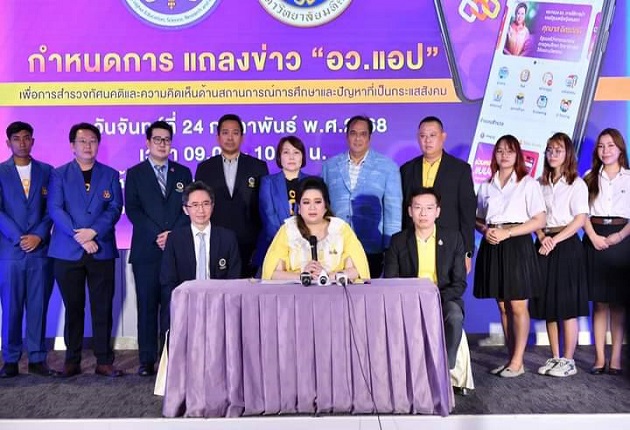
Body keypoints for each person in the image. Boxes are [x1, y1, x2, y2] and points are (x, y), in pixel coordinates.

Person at [48, 122, 124, 377]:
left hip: (101, 249)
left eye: (92, 141)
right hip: (67, 251)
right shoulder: (59, 174)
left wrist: (94, 232)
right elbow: (55, 209)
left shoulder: (110, 174)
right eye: (82, 141)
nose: (88, 146)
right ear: (72, 146)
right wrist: (80, 236)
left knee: (102, 307)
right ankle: (72, 360)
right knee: (73, 307)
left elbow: (114, 208)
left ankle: (104, 360)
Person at [474, 135, 546, 378]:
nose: (504, 155)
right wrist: (486, 230)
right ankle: (511, 358)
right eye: (500, 151)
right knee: (503, 306)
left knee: (517, 304)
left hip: (517, 244)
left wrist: (509, 233)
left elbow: (540, 219)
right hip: (493, 244)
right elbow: (478, 218)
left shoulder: (528, 183)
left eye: (509, 151)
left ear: (518, 155)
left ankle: (518, 361)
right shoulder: (486, 185)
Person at [125, 120, 192, 377]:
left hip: (175, 250)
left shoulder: (183, 172)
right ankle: (146, 359)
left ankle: (170, 357)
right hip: (146, 251)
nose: (162, 144)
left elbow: (188, 208)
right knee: (147, 307)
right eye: (157, 139)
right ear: (147, 142)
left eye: (166, 139)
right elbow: (133, 210)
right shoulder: (135, 173)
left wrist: (172, 235)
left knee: (173, 307)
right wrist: (157, 235)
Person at [384, 187, 466, 375]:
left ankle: (445, 369)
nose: (423, 213)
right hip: (408, 299)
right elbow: (391, 281)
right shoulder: (398, 241)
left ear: (437, 211)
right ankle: (401, 372)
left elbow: (459, 283)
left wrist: (435, 298)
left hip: (442, 298)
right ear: (410, 211)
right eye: (418, 207)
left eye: (429, 208)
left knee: (454, 316)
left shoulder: (453, 238)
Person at [530, 133, 589, 378]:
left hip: (566, 245)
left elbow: (579, 220)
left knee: (566, 305)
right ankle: (555, 357)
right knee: (549, 305)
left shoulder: (576, 183)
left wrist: (554, 240)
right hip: (544, 244)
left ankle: (568, 359)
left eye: (559, 150)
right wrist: (542, 236)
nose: (553, 154)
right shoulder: (539, 183)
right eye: (550, 150)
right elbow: (533, 215)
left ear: (568, 154)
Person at [0, 121, 55, 378]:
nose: (22, 142)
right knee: (11, 308)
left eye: (26, 138)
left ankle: (37, 358)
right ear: (8, 142)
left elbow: (53, 209)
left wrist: (38, 236)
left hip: (40, 252)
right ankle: (10, 359)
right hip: (10, 252)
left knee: (38, 307)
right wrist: (19, 237)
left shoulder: (47, 171)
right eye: (16, 138)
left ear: (33, 141)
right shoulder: (1, 172)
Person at [321, 115, 401, 278]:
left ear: (369, 138)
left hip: (372, 247)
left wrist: (390, 248)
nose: (358, 138)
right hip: (336, 246)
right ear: (347, 136)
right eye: (353, 133)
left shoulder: (387, 167)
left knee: (370, 292)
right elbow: (323, 206)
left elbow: (393, 210)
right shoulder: (330, 166)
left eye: (363, 134)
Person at [195, 114, 268, 277]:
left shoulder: (258, 167)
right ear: (218, 137)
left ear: (242, 137)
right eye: (225, 132)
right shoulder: (205, 168)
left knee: (246, 289)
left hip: (249, 243)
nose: (230, 138)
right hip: (215, 241)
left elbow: (263, 208)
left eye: (235, 133)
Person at [400, 116, 476, 273]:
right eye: (423, 136)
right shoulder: (407, 169)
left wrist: (467, 252)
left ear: (443, 137)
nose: (427, 140)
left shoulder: (460, 169)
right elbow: (402, 211)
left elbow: (467, 214)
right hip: (413, 247)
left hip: (449, 247)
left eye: (432, 135)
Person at [582, 128, 630, 375]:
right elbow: (581, 212)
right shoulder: (589, 177)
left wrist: (618, 237)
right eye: (601, 146)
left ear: (620, 149)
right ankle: (600, 358)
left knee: (618, 303)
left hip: (623, 238)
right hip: (595, 236)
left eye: (610, 145)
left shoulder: (629, 178)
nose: (605, 150)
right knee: (599, 302)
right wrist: (593, 236)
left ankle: (617, 358)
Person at [261, 177, 370, 282]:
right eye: (306, 202)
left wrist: (325, 276)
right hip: (295, 292)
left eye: (317, 202)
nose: (312, 207)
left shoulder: (341, 229)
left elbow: (358, 271)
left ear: (325, 206)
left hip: (335, 292)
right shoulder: (288, 230)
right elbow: (271, 274)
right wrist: (303, 276)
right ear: (299, 208)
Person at [160, 181, 242, 319]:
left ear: (212, 206)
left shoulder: (227, 238)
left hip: (220, 307)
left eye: (205, 204)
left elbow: (234, 278)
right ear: (186, 209)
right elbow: (167, 280)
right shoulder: (175, 239)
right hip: (185, 307)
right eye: (195, 205)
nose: (201, 210)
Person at [254, 136, 308, 268]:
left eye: (296, 152)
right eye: (286, 152)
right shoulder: (268, 182)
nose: (291, 157)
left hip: (305, 249)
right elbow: (269, 218)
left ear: (302, 157)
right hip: (274, 246)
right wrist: (286, 244)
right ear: (279, 157)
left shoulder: (312, 182)